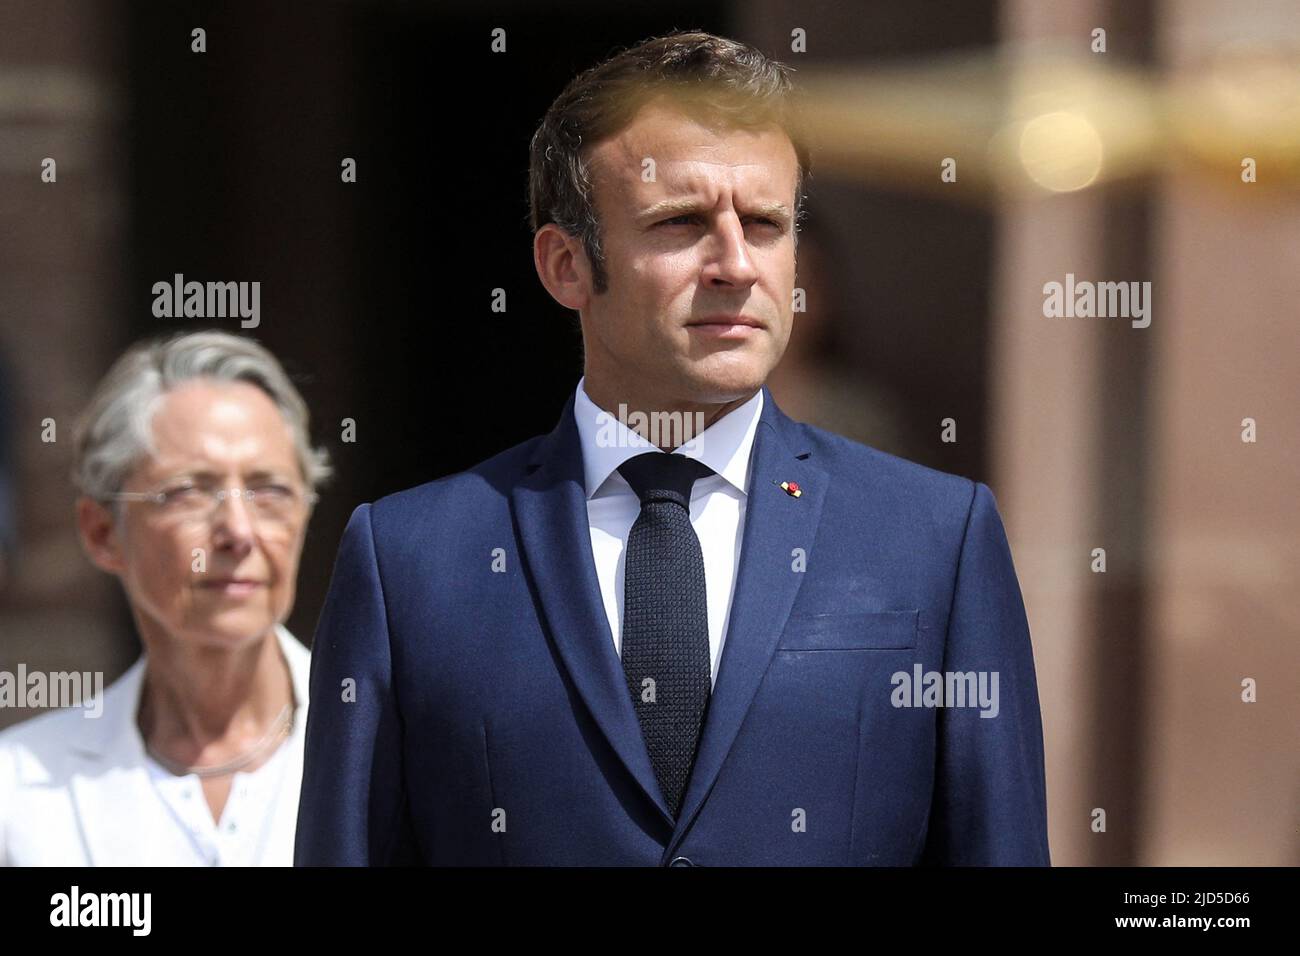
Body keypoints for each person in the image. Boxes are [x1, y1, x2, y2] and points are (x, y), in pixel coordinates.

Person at [295, 30, 1050, 866]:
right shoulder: (408, 561)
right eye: (681, 223)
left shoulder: (935, 539)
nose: (735, 264)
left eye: (764, 223)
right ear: (565, 264)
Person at [0, 331, 329, 866]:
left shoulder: (387, 750)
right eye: (189, 491)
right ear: (103, 533)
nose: (238, 531)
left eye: (269, 490)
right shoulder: (22, 790)